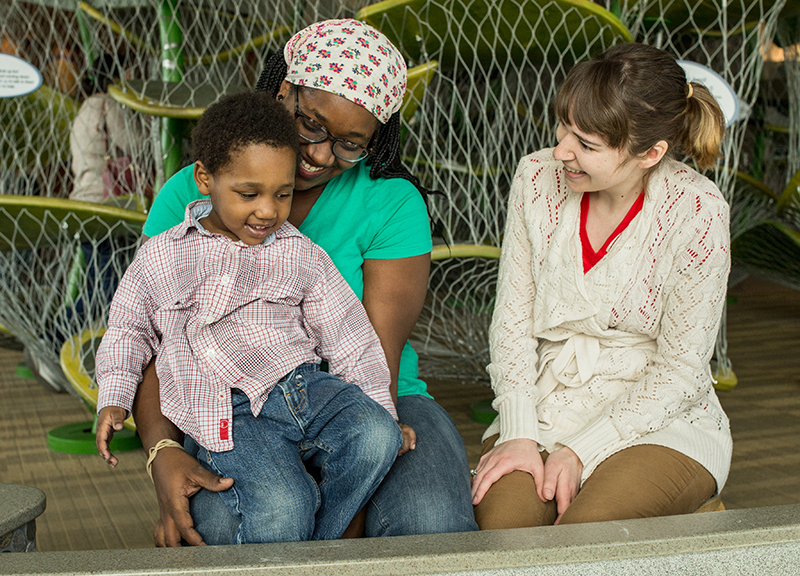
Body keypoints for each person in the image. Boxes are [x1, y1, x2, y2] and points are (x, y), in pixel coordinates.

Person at [133, 18, 478, 546]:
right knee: (246, 527)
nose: (319, 155)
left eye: (349, 144)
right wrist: (162, 453)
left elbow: (372, 356)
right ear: (282, 88)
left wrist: (348, 511)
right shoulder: (192, 195)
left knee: (430, 523)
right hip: (232, 404)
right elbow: (157, 339)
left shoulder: (390, 203)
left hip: (375, 396)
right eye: (311, 124)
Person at [95, 91, 404, 544]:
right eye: (248, 194)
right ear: (205, 178)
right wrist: (114, 395)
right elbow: (128, 329)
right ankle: (298, 541)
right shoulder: (163, 257)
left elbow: (347, 333)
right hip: (229, 409)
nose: (267, 210)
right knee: (284, 506)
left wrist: (382, 406)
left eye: (282, 195)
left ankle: (322, 550)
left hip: (304, 386)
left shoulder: (298, 251)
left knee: (379, 437)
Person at [470, 42, 733, 528]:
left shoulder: (698, 209)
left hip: (662, 419)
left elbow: (680, 369)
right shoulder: (535, 178)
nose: (561, 151)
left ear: (650, 154)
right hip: (548, 405)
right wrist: (521, 433)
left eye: (586, 145)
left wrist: (579, 451)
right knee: (505, 535)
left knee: (586, 539)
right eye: (563, 126)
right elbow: (510, 323)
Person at [69, 53, 149, 204]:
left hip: (82, 193)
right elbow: (134, 143)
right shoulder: (107, 104)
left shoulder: (85, 107)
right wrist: (147, 116)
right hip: (104, 195)